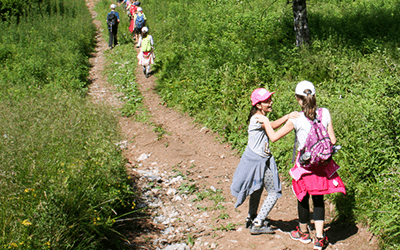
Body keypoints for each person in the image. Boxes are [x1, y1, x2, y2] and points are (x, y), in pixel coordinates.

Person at [258, 80, 346, 249]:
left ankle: (303, 232)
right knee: (318, 198)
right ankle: (320, 238)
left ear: (298, 99)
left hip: (305, 165)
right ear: (314, 96)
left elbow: (274, 137)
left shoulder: (296, 119)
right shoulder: (325, 113)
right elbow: (333, 140)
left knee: (303, 196)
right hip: (321, 165)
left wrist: (264, 121)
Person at [230, 88, 299, 235]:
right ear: (259, 105)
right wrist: (291, 123)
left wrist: (287, 116)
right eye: (267, 101)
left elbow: (271, 126)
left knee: (257, 188)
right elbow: (273, 136)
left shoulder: (258, 118)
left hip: (256, 159)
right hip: (259, 161)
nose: (271, 102)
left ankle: (252, 217)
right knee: (274, 192)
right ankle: (258, 223)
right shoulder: (260, 119)